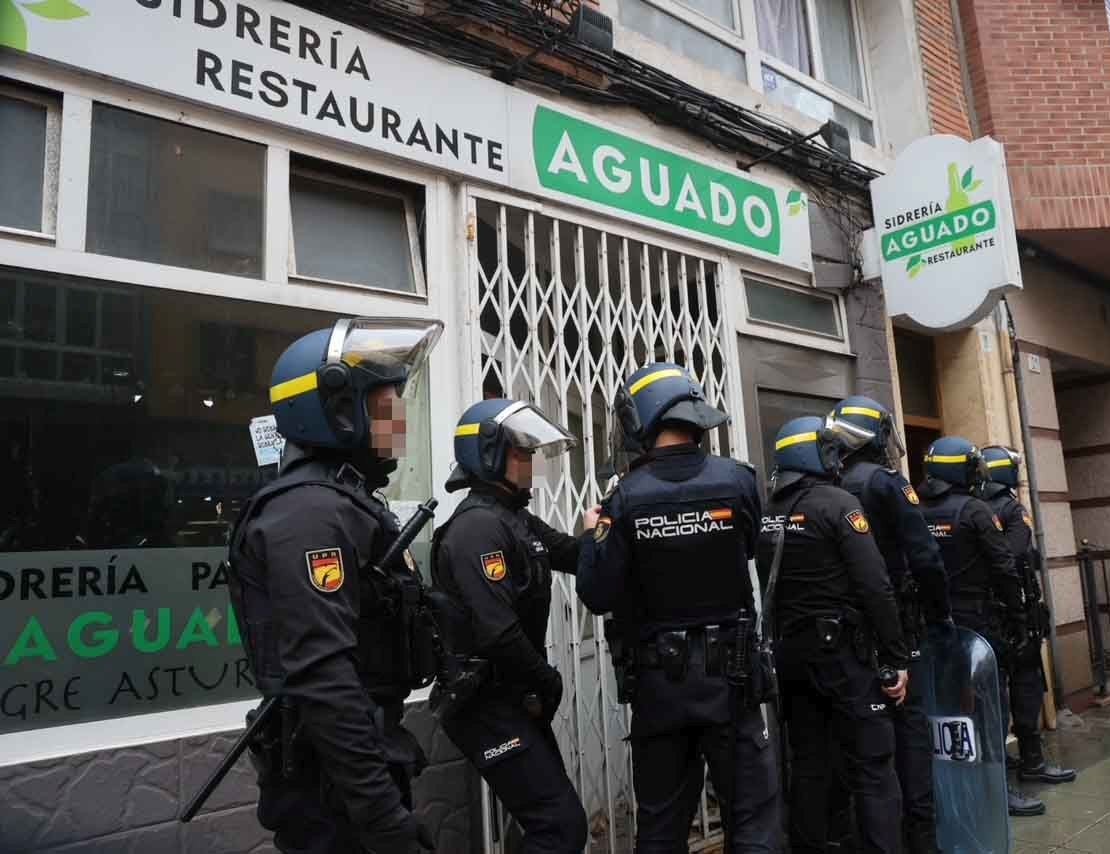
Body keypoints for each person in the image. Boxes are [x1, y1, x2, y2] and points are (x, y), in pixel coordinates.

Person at [227, 316, 444, 853]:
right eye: (384, 404)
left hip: (352, 774)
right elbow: (324, 678)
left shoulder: (342, 502)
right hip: (333, 794)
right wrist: (383, 820)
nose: (398, 420)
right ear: (336, 408)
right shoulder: (307, 514)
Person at [576, 362, 780, 853]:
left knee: (663, 828)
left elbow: (598, 593)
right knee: (752, 821)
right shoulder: (738, 481)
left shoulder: (623, 499)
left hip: (659, 687)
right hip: (731, 681)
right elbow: (749, 548)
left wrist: (590, 538)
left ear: (642, 419)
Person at [429, 397, 590, 854]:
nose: (531, 462)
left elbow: (572, 554)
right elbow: (497, 631)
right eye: (522, 453)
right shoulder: (477, 528)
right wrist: (549, 681)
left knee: (546, 821)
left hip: (514, 698)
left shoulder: (512, 518)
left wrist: (605, 528)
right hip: (487, 704)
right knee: (559, 827)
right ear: (490, 456)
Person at [759, 416, 910, 854]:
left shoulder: (769, 513)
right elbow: (875, 585)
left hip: (793, 656)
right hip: (844, 656)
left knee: (808, 763)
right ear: (817, 455)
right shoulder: (839, 504)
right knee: (873, 766)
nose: (838, 458)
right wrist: (896, 657)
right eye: (831, 450)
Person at [827, 397, 950, 854]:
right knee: (910, 738)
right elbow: (925, 557)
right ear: (876, 437)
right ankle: (920, 841)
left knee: (858, 747)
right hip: (895, 625)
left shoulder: (828, 483)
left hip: (846, 635)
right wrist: (940, 615)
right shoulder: (885, 482)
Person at [915, 436, 1045, 818]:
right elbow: (1005, 565)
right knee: (990, 706)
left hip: (934, 623)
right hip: (978, 624)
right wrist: (1018, 620)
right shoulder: (974, 510)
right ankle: (996, 790)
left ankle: (954, 788)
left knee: (945, 707)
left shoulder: (917, 509)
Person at [980, 446, 1076, 786]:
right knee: (1026, 684)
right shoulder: (1011, 510)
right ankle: (1032, 761)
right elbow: (1014, 554)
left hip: (985, 616)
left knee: (995, 690)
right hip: (1015, 614)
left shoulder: (973, 508)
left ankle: (1001, 760)